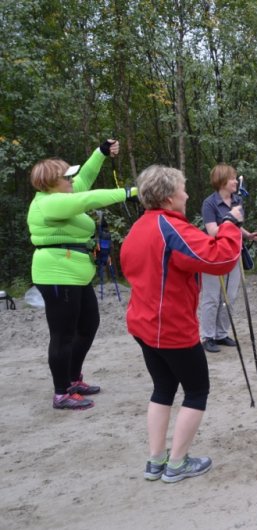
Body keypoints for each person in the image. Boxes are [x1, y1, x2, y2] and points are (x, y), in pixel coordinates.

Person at [121, 165, 242, 483]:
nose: (187, 194)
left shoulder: (139, 228)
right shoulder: (170, 228)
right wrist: (231, 224)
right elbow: (219, 260)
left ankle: (156, 460)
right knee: (197, 390)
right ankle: (177, 464)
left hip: (143, 324)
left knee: (163, 387)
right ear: (168, 196)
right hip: (170, 327)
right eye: (183, 189)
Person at [27, 139, 136, 410]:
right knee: (63, 334)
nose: (72, 179)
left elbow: (85, 178)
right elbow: (89, 197)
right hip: (56, 275)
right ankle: (61, 392)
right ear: (51, 182)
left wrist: (100, 152)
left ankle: (73, 379)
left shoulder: (63, 195)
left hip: (76, 275)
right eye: (66, 177)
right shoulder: (48, 203)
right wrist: (129, 192)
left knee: (88, 325)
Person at [199, 164, 257, 353]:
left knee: (230, 296)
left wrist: (248, 235)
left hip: (234, 254)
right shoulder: (209, 203)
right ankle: (207, 337)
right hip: (214, 255)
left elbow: (235, 226)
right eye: (233, 178)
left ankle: (221, 333)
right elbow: (212, 232)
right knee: (212, 297)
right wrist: (229, 217)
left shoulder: (237, 200)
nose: (236, 182)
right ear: (222, 181)